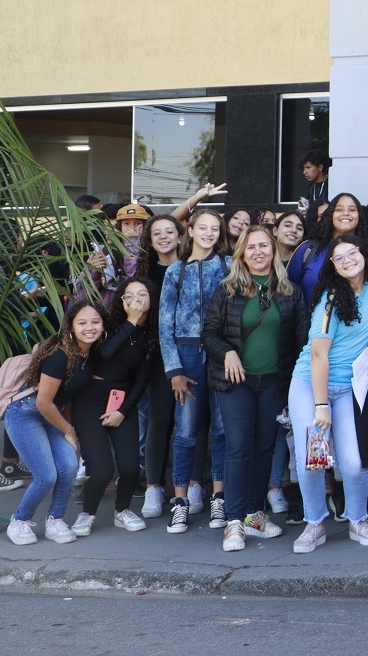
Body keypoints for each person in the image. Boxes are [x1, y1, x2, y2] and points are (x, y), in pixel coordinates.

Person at [202, 226, 309, 551]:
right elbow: (209, 333)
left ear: (274, 251)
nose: (258, 252)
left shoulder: (290, 291)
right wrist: (228, 352)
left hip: (274, 383)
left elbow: (302, 338)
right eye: (251, 248)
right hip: (236, 382)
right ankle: (233, 522)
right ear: (242, 254)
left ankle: (253, 514)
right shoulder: (228, 289)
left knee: (265, 447)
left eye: (264, 246)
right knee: (238, 446)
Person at [288, 233, 368, 551]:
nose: (347, 260)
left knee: (355, 462)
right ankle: (314, 522)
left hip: (348, 388)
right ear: (332, 266)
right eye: (339, 257)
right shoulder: (331, 299)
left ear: (364, 254)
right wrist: (321, 406)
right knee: (314, 459)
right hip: (311, 386)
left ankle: (357, 519)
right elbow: (318, 356)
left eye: (352, 253)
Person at [157, 209, 233, 534]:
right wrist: (173, 368)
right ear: (191, 229)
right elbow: (164, 323)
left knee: (220, 429)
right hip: (185, 353)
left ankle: (219, 497)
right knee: (186, 431)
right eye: (203, 227)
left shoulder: (228, 267)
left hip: (218, 353)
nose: (209, 233)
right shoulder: (176, 270)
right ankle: (180, 502)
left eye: (215, 228)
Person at [5, 302, 106, 546]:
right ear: (71, 327)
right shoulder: (59, 356)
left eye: (95, 322)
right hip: (25, 413)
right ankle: (19, 520)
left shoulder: (88, 354)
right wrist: (69, 430)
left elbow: (67, 397)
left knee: (69, 466)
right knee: (46, 475)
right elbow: (43, 402)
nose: (89, 327)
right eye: (82, 323)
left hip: (53, 415)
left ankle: (56, 519)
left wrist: (68, 426)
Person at [71, 278, 155, 533]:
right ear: (121, 301)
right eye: (129, 296)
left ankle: (122, 510)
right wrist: (131, 321)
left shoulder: (152, 336)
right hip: (90, 398)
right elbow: (106, 353)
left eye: (142, 295)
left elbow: (141, 380)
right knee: (102, 469)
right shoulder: (109, 325)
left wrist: (123, 411)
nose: (136, 301)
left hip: (122, 399)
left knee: (130, 466)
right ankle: (88, 513)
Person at [137, 213, 185, 518]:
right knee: (159, 420)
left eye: (170, 231)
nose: (164, 237)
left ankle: (189, 485)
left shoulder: (191, 268)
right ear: (150, 240)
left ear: (180, 236)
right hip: (155, 357)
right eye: (158, 233)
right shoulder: (144, 274)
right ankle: (154, 488)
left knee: (191, 424)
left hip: (191, 354)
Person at [290, 194, 363, 303]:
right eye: (339, 209)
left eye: (352, 209)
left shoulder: (366, 253)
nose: (346, 213)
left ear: (359, 216)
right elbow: (288, 290)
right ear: (330, 215)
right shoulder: (308, 249)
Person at [298, 150, 331, 222]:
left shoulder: (331, 185)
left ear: (320, 167)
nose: (304, 172)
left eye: (308, 167)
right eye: (304, 168)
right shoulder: (312, 188)